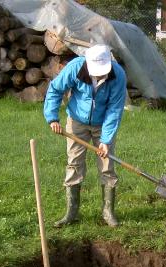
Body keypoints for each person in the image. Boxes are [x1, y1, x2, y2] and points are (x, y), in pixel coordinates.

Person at [44, 44, 127, 227]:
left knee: (107, 166)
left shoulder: (118, 75)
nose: (99, 75)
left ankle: (108, 213)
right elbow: (56, 89)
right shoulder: (75, 67)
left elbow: (114, 109)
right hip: (77, 122)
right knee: (74, 163)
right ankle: (71, 213)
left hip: (103, 123)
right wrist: (52, 118)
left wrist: (105, 140)